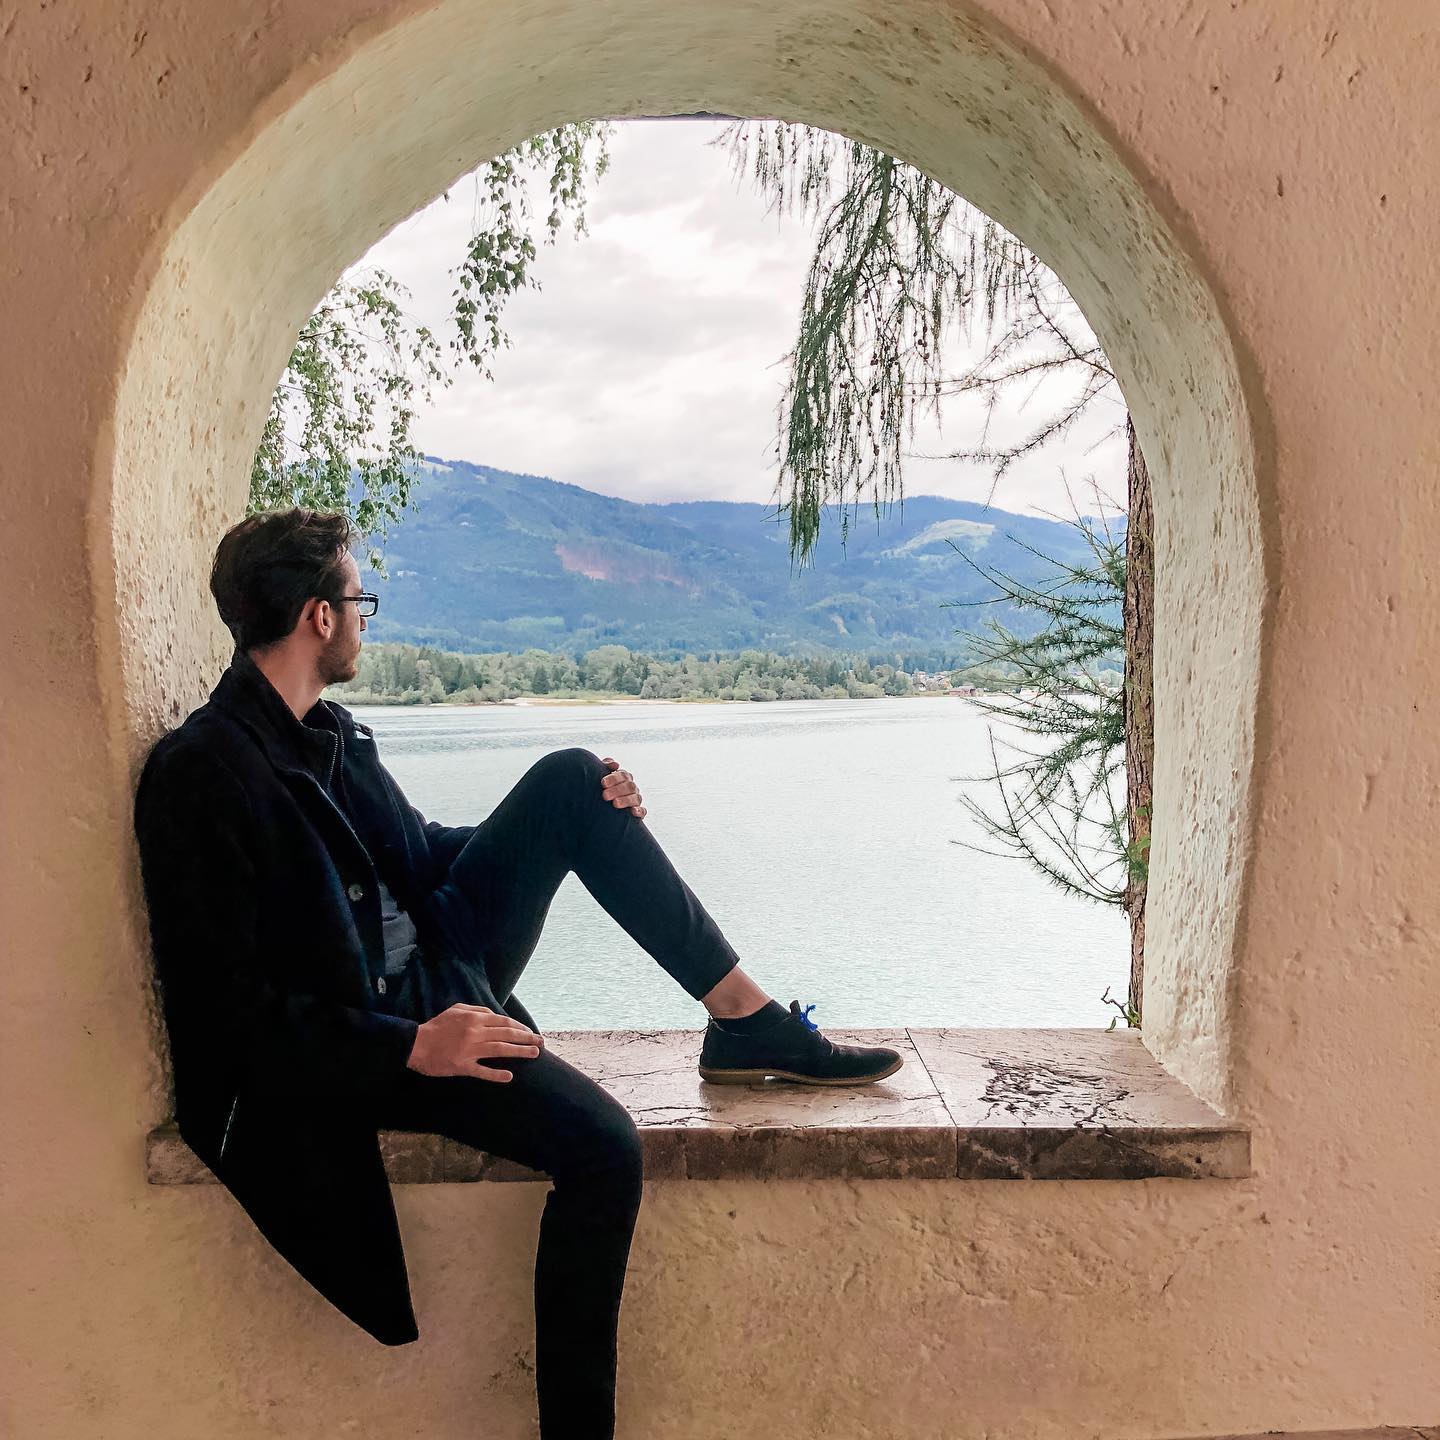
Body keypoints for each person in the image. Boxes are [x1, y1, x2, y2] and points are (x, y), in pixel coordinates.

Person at [132, 507, 903, 1439]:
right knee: (606, 1150)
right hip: (380, 1033)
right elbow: (225, 1015)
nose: (366, 621)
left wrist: (570, 828)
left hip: (434, 967)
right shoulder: (201, 773)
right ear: (318, 617)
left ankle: (745, 1020)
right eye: (358, 600)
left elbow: (419, 855)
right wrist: (412, 1047)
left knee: (577, 779)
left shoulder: (329, 734)